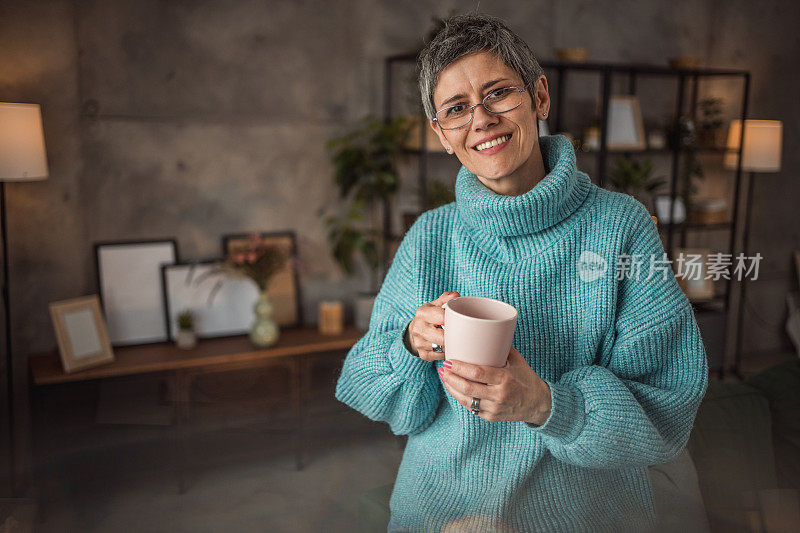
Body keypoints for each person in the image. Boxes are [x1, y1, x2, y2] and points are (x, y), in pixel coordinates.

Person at [335, 13, 709, 533]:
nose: (481, 119)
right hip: (443, 513)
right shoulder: (430, 236)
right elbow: (368, 387)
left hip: (585, 515)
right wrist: (407, 343)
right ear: (441, 135)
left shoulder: (622, 226)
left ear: (539, 97)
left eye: (498, 94)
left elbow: (667, 408)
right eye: (457, 109)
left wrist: (545, 403)